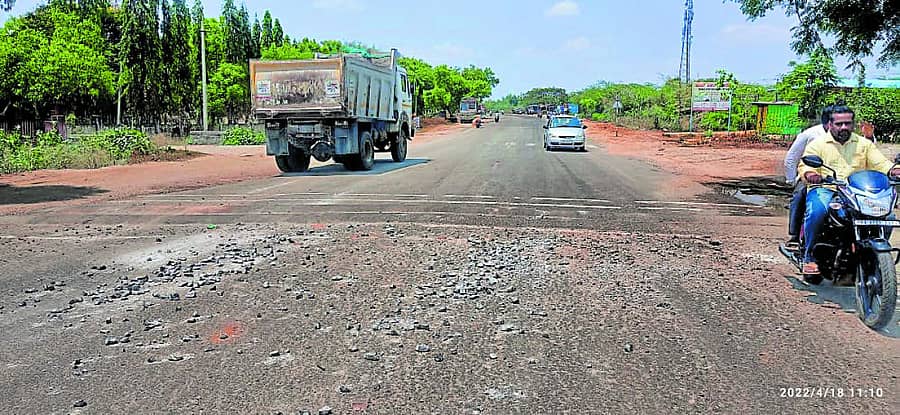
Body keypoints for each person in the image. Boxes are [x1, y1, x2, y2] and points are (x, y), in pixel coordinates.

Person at [798, 105, 900, 276]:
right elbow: (805, 166)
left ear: (853, 125)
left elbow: (881, 164)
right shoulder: (818, 144)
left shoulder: (864, 144)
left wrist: (893, 170)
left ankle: (873, 254)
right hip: (827, 189)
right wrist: (811, 174)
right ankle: (810, 258)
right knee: (818, 210)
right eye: (839, 124)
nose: (843, 127)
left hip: (857, 192)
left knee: (887, 215)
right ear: (830, 125)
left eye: (847, 123)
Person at [783, 106, 833, 249]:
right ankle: (794, 234)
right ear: (828, 122)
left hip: (839, 179)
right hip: (811, 176)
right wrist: (791, 179)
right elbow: (792, 157)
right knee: (799, 196)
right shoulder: (810, 134)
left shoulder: (847, 137)